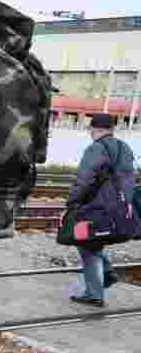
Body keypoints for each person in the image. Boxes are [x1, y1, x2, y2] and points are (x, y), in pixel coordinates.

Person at [66, 113, 133, 307]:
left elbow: (83, 179)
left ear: (94, 129)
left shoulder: (96, 148)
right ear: (111, 129)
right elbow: (129, 178)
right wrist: (125, 202)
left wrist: (71, 201)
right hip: (117, 205)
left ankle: (95, 294)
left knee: (86, 243)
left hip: (95, 205)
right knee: (93, 242)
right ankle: (106, 272)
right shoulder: (124, 147)